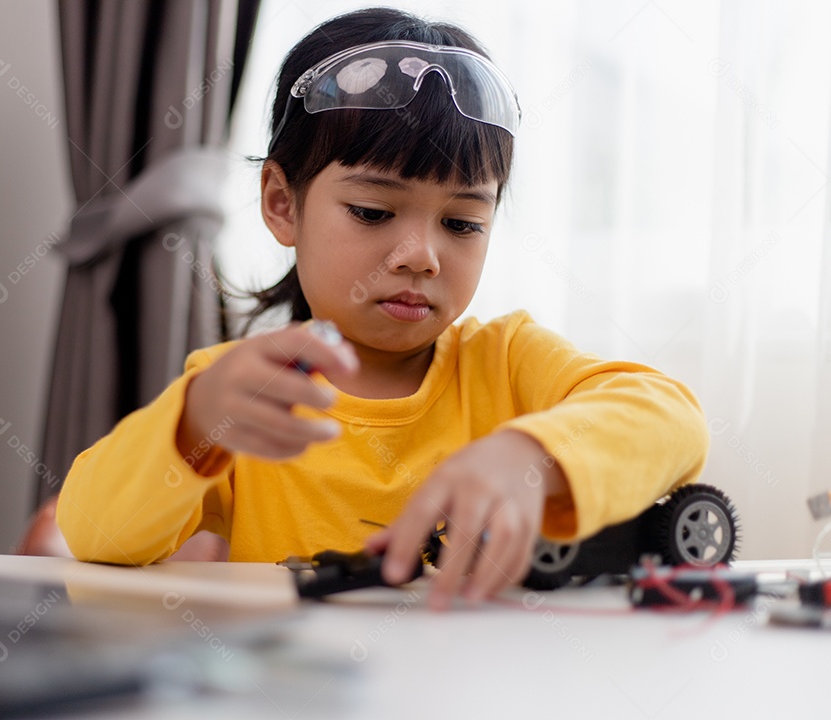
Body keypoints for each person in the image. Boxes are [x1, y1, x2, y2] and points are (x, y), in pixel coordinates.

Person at [57, 7, 709, 609]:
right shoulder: (246, 394)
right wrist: (194, 420)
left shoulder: (508, 362)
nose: (420, 255)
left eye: (461, 223)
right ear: (283, 205)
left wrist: (528, 456)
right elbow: (94, 532)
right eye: (373, 211)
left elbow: (672, 417)